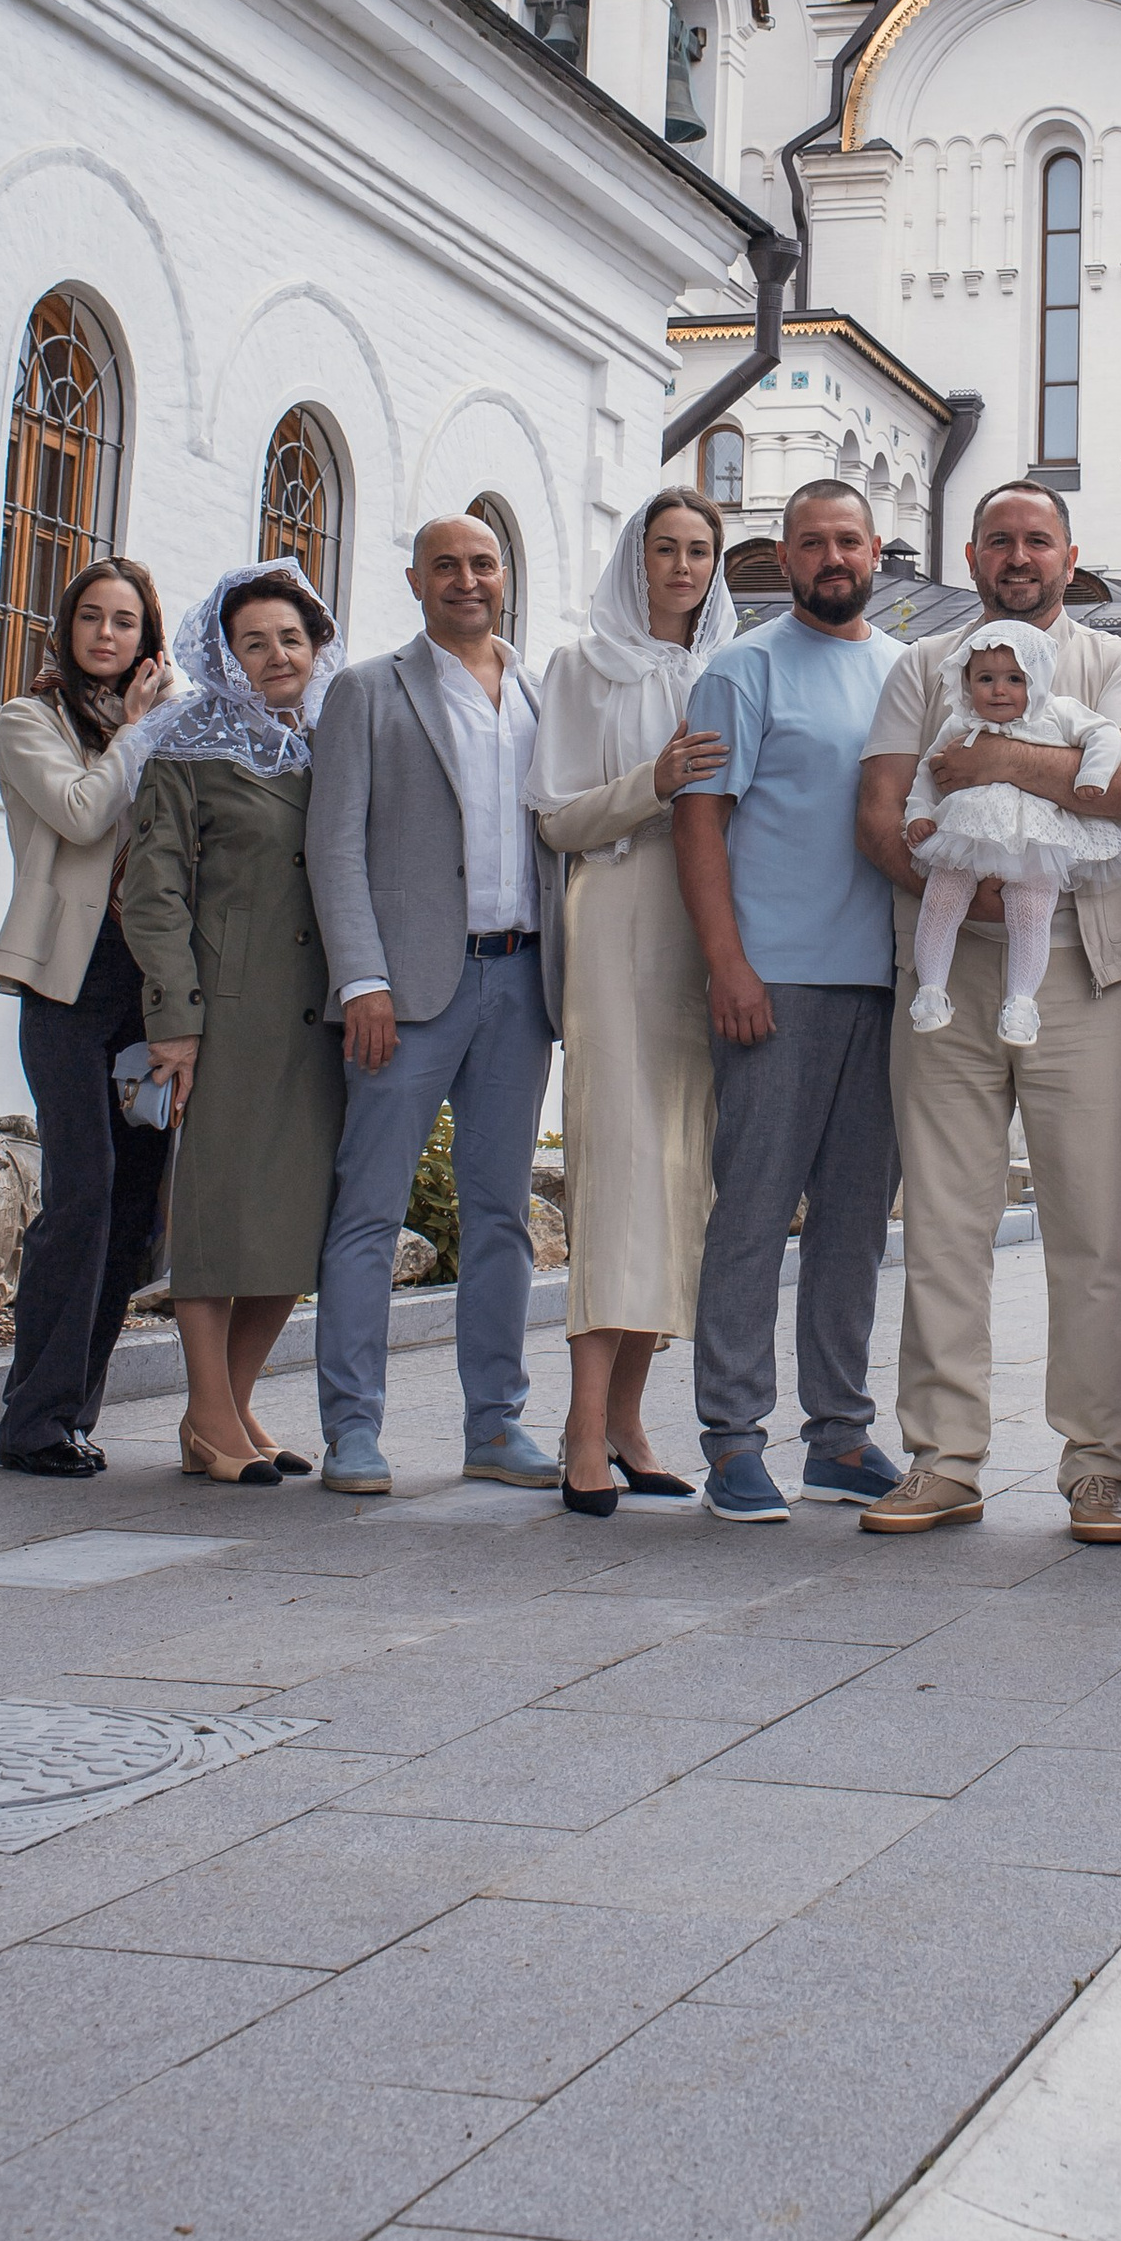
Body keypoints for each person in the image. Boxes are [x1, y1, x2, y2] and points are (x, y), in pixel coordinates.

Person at [856, 480, 1121, 1543]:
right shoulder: (919, 665)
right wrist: (977, 885)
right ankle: (942, 1458)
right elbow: (880, 813)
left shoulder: (1118, 663)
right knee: (943, 1221)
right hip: (947, 971)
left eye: (1038, 540)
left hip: (1083, 966)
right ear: (970, 554)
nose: (1019, 556)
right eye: (1000, 540)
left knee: (1091, 1227)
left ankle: (1095, 1467)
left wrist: (993, 761)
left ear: (1069, 556)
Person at [304, 512, 564, 1500]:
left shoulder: (542, 696)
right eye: (446, 566)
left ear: (506, 577)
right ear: (414, 580)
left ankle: (495, 1427)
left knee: (501, 1216)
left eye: (483, 564)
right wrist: (360, 981)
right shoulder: (368, 691)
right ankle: (352, 1434)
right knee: (367, 1212)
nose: (466, 580)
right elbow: (334, 848)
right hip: (404, 994)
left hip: (518, 984)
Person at [672, 480, 908, 1526]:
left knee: (856, 1225)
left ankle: (839, 1435)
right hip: (775, 985)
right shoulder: (743, 668)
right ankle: (731, 1440)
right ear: (783, 554)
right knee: (755, 1214)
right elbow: (698, 823)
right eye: (811, 542)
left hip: (887, 986)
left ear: (874, 551)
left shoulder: (908, 673)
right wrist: (727, 964)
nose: (831, 557)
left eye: (847, 541)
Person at [524, 489, 736, 1518]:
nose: (683, 566)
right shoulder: (583, 666)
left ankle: (632, 1418)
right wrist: (650, 784)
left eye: (700, 549)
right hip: (614, 919)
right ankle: (580, 1426)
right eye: (666, 548)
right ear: (636, 558)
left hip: (705, 929)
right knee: (615, 1173)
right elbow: (556, 817)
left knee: (679, 1174)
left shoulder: (730, 669)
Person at [117, 561, 346, 1488]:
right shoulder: (186, 749)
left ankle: (232, 1403)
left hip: (319, 1017)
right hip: (225, 1016)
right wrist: (174, 1020)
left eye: (290, 638)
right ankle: (209, 1414)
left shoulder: (333, 739)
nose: (275, 655)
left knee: (292, 1226)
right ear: (225, 654)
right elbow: (152, 889)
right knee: (215, 1218)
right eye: (253, 642)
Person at [0, 554, 176, 1479]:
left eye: (126, 621)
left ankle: (74, 1414)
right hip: (65, 987)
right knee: (83, 1193)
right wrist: (137, 735)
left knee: (137, 1210)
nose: (108, 634)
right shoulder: (29, 720)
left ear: (148, 639)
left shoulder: (159, 730)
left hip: (147, 991)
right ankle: (32, 1419)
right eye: (93, 618)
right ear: (66, 629)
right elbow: (77, 811)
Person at [904, 619, 1121, 1048]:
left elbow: (1105, 733)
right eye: (985, 679)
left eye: (1015, 679)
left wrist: (1094, 773)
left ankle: (1022, 1003)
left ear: (1038, 679)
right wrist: (918, 813)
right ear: (967, 682)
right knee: (940, 899)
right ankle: (931, 990)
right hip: (964, 834)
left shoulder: (1058, 713)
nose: (998, 690)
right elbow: (927, 772)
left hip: (1037, 840)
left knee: (1031, 910)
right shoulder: (960, 725)